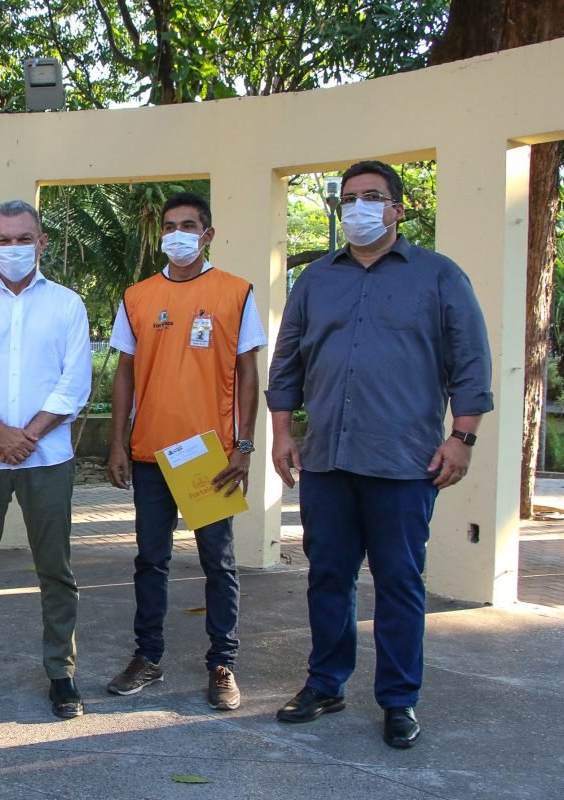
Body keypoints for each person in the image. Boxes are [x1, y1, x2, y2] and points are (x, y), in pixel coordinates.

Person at [266, 160, 493, 749]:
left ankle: (398, 699)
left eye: (372, 197)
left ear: (397, 208)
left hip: (405, 461)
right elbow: (288, 360)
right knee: (329, 577)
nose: (358, 208)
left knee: (398, 582)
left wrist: (461, 437)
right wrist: (283, 432)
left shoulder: (440, 276)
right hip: (327, 461)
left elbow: (470, 362)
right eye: (348, 199)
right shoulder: (315, 279)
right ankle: (326, 683)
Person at [104, 192, 266, 711]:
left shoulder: (235, 293)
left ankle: (223, 663)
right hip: (150, 451)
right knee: (150, 561)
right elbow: (124, 374)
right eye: (170, 226)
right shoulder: (137, 297)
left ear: (208, 235)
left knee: (218, 563)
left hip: (208, 456)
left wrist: (243, 445)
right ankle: (147, 658)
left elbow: (247, 373)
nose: (178, 234)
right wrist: (117, 444)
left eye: (188, 225)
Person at [0, 200, 92, 719]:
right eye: (3, 240)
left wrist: (26, 435)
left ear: (42, 242)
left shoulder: (68, 305)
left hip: (46, 457)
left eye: (23, 238)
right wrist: (0, 433)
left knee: (56, 569)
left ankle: (61, 674)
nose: (13, 248)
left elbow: (75, 382)